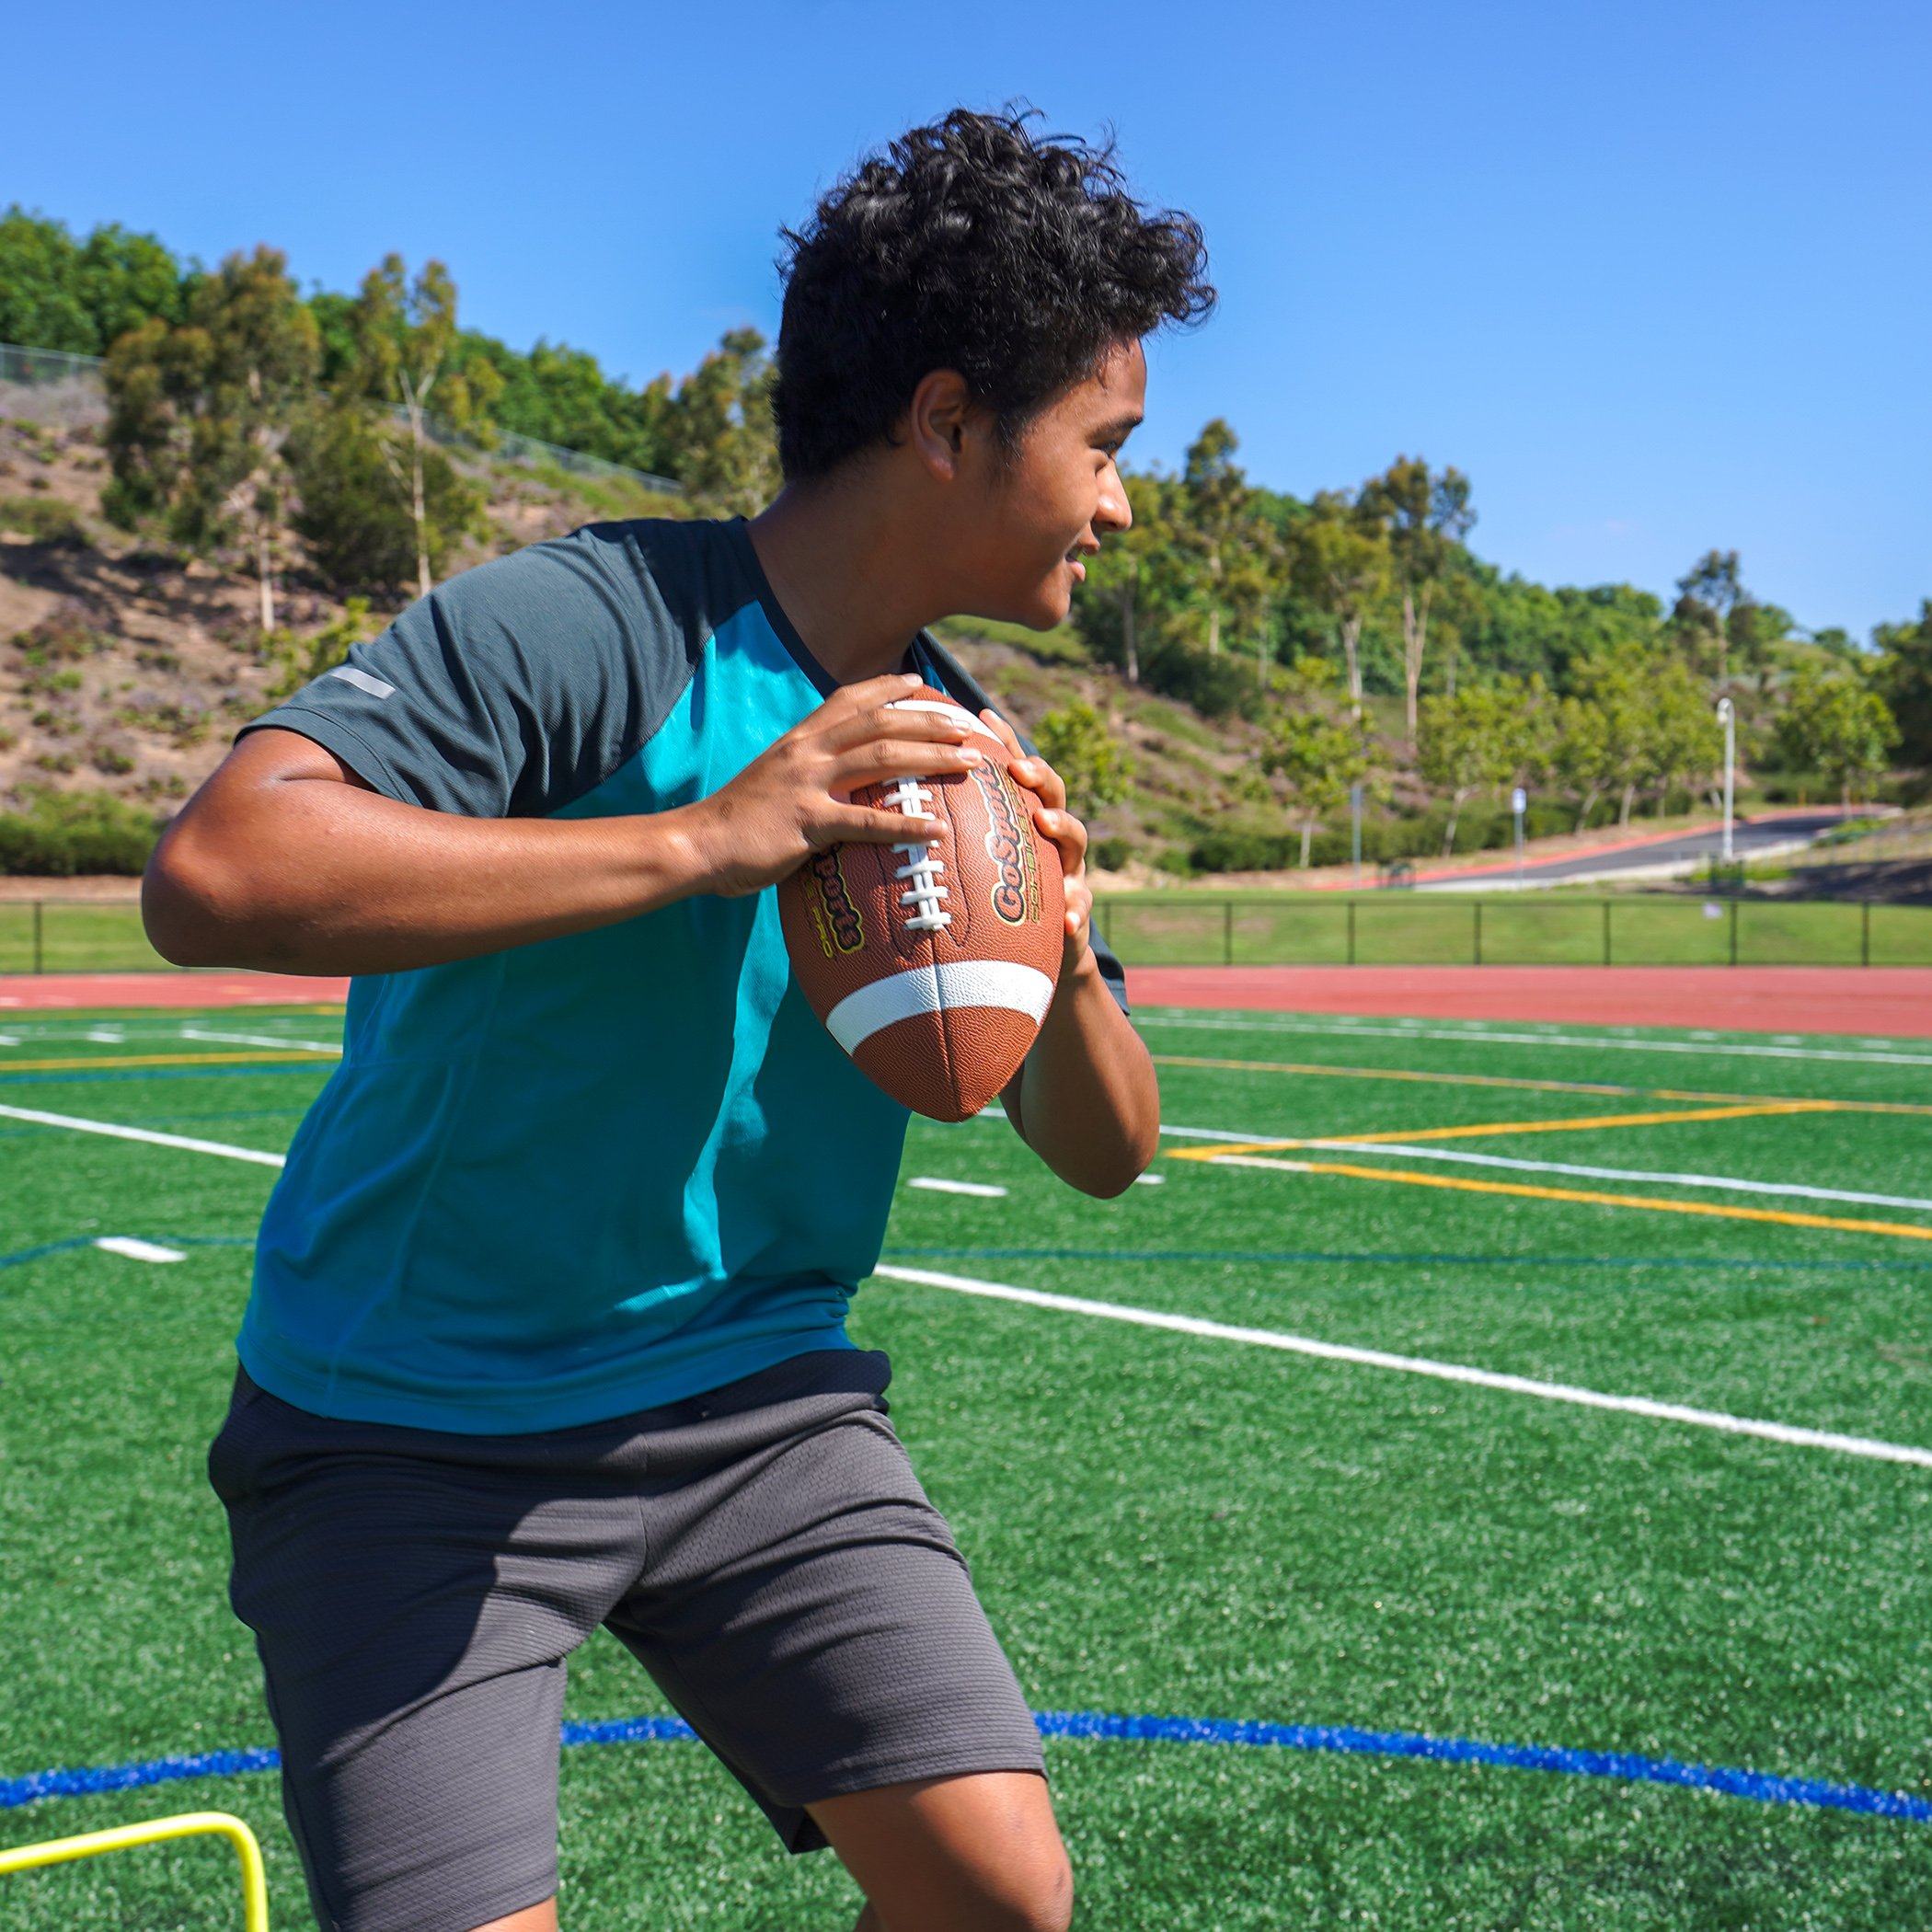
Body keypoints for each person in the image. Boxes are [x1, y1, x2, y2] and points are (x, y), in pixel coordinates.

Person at [144, 105, 1213, 1932]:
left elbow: (1110, 1157)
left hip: (754, 1400)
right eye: (1103, 448)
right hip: (410, 1423)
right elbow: (220, 871)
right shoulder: (595, 623)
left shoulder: (970, 756)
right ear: (949, 425)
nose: (1123, 502)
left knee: (998, 1896)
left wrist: (1072, 947)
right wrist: (705, 842)